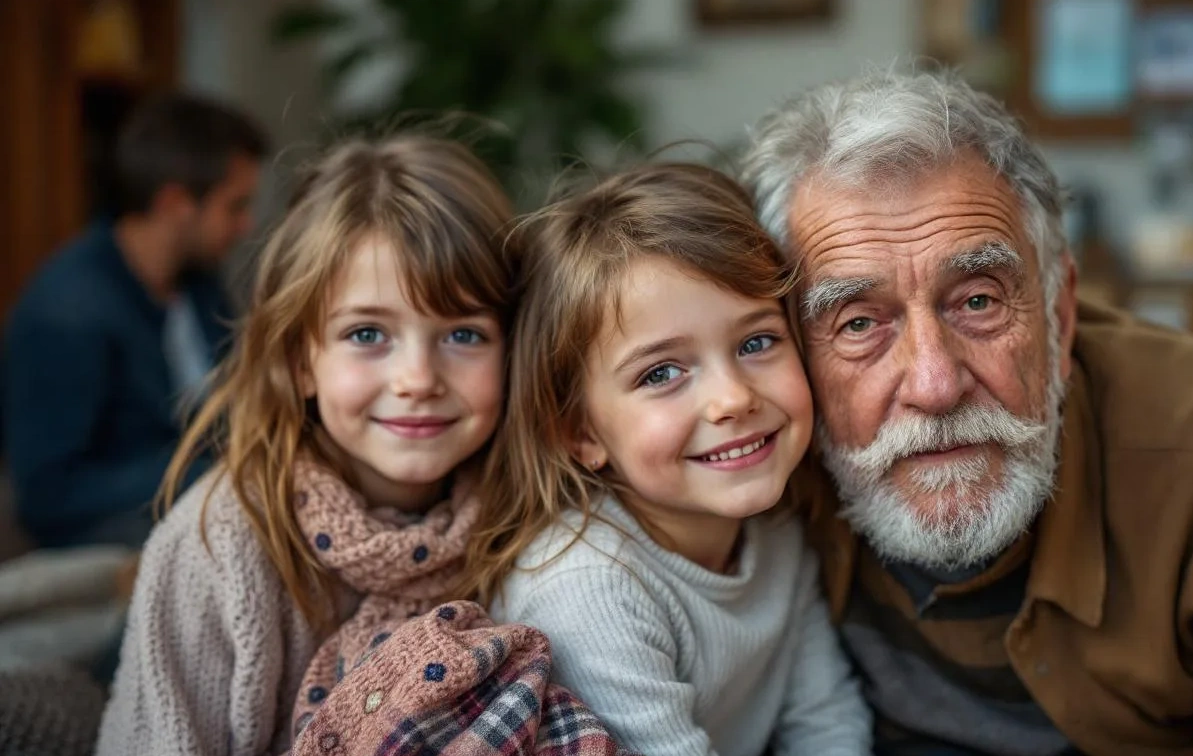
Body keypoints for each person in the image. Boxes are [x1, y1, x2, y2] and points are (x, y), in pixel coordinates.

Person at [739, 66, 1193, 754]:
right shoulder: (749, 460)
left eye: (978, 301)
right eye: (857, 324)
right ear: (790, 354)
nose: (935, 386)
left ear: (1059, 319)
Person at [96, 133, 516, 756]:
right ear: (300, 360)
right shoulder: (218, 547)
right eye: (368, 332)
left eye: (463, 334)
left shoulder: (530, 525)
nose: (418, 381)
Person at [463, 163, 872, 756]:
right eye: (661, 373)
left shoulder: (776, 526)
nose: (732, 398)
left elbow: (826, 720)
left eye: (756, 342)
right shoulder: (589, 590)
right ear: (580, 432)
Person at [3, 92, 268, 549]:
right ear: (175, 202)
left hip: (204, 493)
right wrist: (212, 473)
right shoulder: (69, 312)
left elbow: (229, 402)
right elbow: (48, 496)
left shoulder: (198, 283)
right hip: (116, 526)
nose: (246, 226)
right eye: (234, 206)